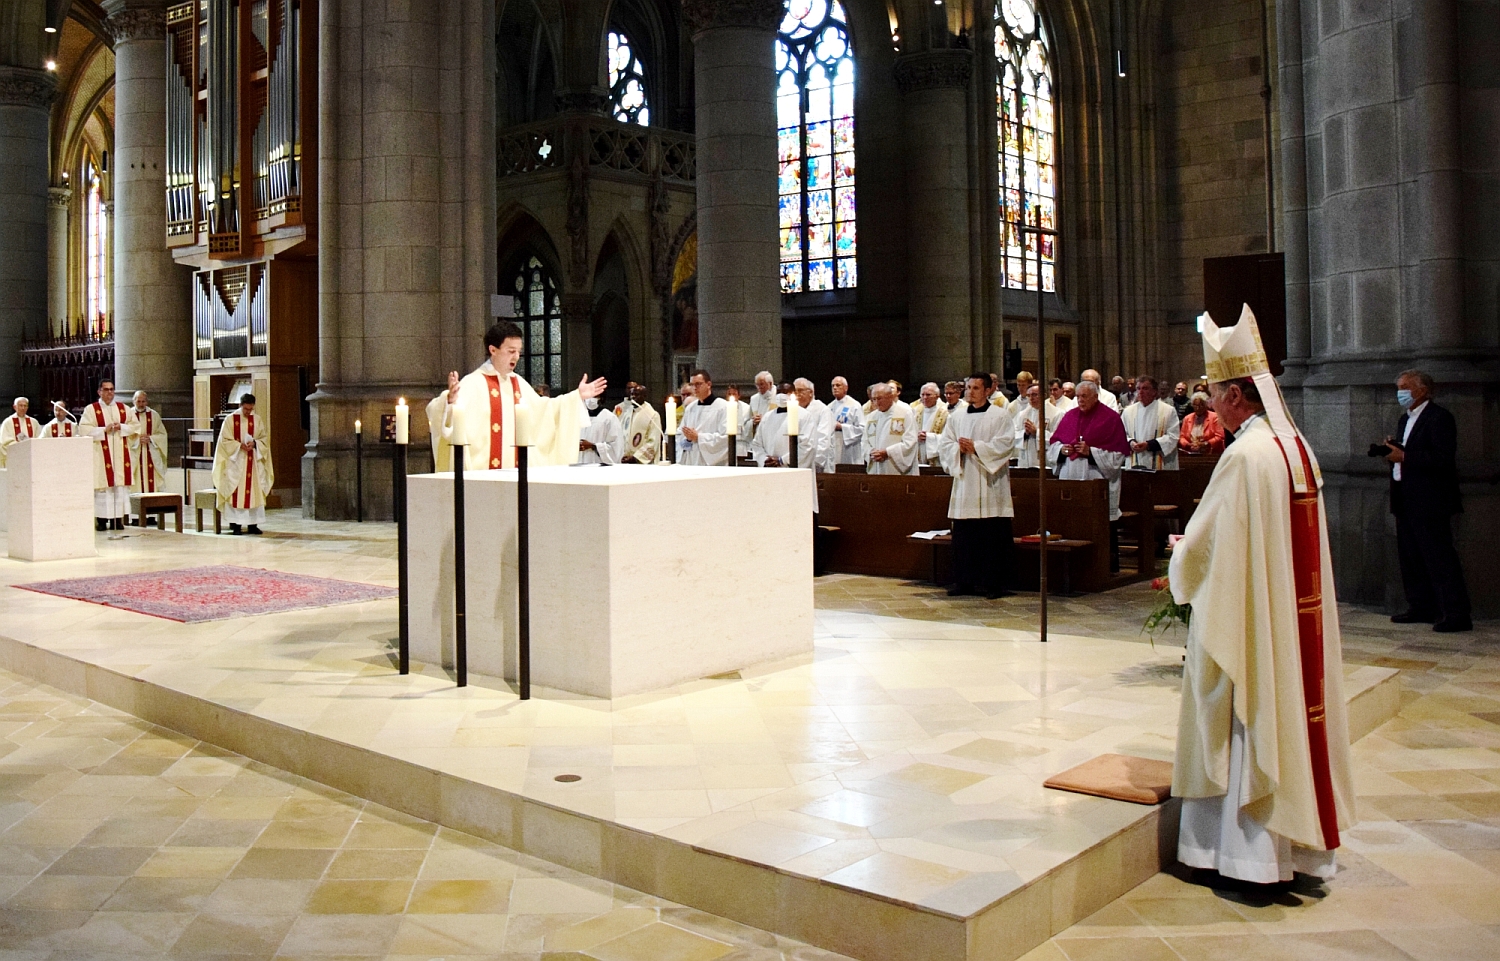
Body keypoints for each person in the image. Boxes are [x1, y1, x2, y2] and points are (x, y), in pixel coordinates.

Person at [1169, 305, 1354, 885]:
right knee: (1285, 708)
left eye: (1213, 392)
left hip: (1252, 617)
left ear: (1235, 395)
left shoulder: (1245, 455)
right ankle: (1288, 852)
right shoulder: (1293, 447)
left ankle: (1237, 857)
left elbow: (1206, 547)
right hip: (1287, 622)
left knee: (1241, 712)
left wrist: (1180, 553)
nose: (1210, 402)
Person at [428, 321, 605, 471]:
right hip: (481, 474)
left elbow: (545, 411)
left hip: (515, 473)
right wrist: (449, 401)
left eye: (519, 351)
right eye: (511, 351)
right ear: (493, 350)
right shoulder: (473, 382)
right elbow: (437, 413)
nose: (517, 356)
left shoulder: (518, 383)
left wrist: (576, 397)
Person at [1387, 369, 1470, 632]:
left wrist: (1405, 457)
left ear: (1422, 390)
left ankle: (1456, 614)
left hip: (1430, 500)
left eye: (1405, 387)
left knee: (1439, 558)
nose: (1400, 392)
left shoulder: (1439, 418)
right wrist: (1393, 451)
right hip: (1405, 497)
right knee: (1411, 556)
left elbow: (1442, 458)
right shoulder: (1405, 419)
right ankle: (1421, 606)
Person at [938, 374, 1016, 598]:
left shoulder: (1000, 415)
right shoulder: (957, 417)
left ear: (988, 390)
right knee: (965, 537)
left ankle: (995, 584)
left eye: (975, 388)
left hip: (991, 483)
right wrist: (958, 450)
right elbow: (945, 444)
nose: (970, 392)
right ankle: (964, 582)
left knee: (992, 536)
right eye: (968, 388)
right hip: (966, 482)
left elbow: (1006, 444)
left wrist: (977, 447)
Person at [1048, 381, 1129, 520]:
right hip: (1069, 477)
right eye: (1078, 396)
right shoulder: (1069, 416)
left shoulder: (1111, 418)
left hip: (1095, 479)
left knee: (1095, 521)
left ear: (1095, 397)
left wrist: (1091, 452)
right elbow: (1054, 444)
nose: (1080, 400)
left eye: (1084, 396)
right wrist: (1062, 450)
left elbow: (1118, 455)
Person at [80, 379, 140, 531]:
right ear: (99, 391)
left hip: (120, 454)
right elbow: (84, 430)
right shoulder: (91, 409)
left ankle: (117, 520)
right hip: (101, 454)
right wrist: (103, 430)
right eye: (106, 389)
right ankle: (101, 521)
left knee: (118, 487)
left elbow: (135, 426)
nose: (109, 392)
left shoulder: (124, 408)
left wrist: (122, 427)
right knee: (103, 488)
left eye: (112, 389)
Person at [211, 393, 273, 535]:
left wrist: (255, 443)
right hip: (236, 462)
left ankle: (253, 525)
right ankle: (236, 525)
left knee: (254, 492)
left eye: (250, 409)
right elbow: (224, 441)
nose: (248, 412)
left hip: (253, 462)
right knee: (235, 491)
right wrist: (239, 445)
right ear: (240, 405)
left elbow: (264, 439)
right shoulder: (230, 420)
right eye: (245, 409)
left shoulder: (257, 420)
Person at [1120, 375, 1181, 470]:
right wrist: (1131, 442)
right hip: (1134, 460)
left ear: (1154, 392)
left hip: (1160, 464)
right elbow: (1121, 434)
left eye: (1145, 388)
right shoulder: (1128, 411)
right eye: (1138, 388)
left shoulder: (1168, 411)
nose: (1140, 392)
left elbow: (1173, 436)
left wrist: (1149, 445)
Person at [863, 384, 920, 476]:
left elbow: (910, 441)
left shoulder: (905, 413)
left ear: (890, 397)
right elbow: (864, 441)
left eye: (879, 398)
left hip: (897, 471)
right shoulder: (871, 417)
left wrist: (888, 452)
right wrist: (871, 452)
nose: (877, 403)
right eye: (874, 399)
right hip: (876, 468)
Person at [677, 370, 728, 466]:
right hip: (692, 459)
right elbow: (680, 434)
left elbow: (726, 438)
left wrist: (699, 437)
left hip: (713, 463)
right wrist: (687, 439)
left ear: (708, 384)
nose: (694, 388)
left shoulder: (723, 407)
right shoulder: (690, 408)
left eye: (698, 384)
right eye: (692, 385)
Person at [130, 390, 169, 495]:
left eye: (143, 401)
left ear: (147, 402)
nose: (141, 404)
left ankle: (153, 501)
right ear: (133, 401)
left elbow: (162, 434)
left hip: (151, 451)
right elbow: (124, 436)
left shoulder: (154, 415)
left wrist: (151, 438)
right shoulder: (128, 415)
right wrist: (137, 440)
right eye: (138, 401)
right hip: (135, 452)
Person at [1014, 385, 1062, 470]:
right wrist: (1025, 433)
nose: (1031, 398)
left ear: (1044, 395)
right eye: (1028, 395)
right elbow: (1013, 434)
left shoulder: (1057, 413)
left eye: (1034, 395)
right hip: (1025, 461)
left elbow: (1058, 438)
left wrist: (1037, 432)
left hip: (1045, 460)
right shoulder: (1022, 414)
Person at [618, 383, 662, 463]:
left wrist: (635, 458)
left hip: (641, 463)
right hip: (624, 460)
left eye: (637, 394)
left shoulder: (652, 415)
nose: (633, 397)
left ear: (644, 396)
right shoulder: (627, 413)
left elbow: (653, 441)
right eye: (632, 394)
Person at [827, 376, 865, 466]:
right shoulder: (829, 407)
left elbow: (862, 429)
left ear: (846, 388)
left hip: (850, 449)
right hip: (834, 447)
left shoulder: (854, 405)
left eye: (838, 385)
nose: (835, 388)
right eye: (833, 386)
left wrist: (841, 427)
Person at [578, 397, 623, 465]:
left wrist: (593, 446)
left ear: (601, 398)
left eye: (594, 396)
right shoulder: (579, 417)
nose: (590, 399)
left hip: (599, 466)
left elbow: (616, 448)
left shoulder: (609, 418)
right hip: (580, 464)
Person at [0, 397, 40, 468]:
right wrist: (21, 447)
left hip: (30, 457)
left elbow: (39, 439)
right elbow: (4, 442)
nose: (23, 408)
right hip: (14, 457)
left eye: (25, 406)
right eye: (20, 405)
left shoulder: (34, 422)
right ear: (14, 407)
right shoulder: (8, 422)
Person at [915, 382, 948, 467]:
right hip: (917, 457)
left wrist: (929, 437)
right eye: (922, 395)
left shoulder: (945, 414)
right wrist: (915, 436)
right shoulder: (915, 412)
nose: (925, 397)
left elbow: (948, 438)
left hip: (937, 460)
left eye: (928, 395)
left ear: (937, 396)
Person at [726, 386, 754, 462]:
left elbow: (749, 426)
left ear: (739, 395)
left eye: (734, 394)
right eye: (729, 394)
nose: (732, 396)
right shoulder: (722, 408)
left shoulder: (747, 408)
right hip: (726, 443)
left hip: (742, 442)